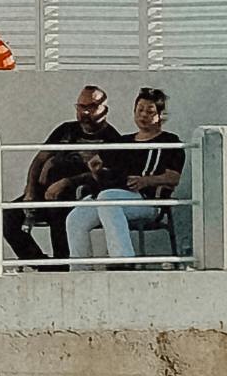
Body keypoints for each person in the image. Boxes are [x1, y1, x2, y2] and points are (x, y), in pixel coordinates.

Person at [9, 82, 123, 265]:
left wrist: (66, 182)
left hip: (77, 196)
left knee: (59, 207)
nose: (85, 112)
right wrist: (30, 190)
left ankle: (61, 265)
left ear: (105, 109)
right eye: (81, 107)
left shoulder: (113, 139)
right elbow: (39, 160)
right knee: (9, 217)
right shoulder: (65, 130)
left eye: (92, 107)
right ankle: (39, 263)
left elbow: (103, 177)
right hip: (44, 191)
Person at [74, 89, 188, 266]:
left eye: (149, 111)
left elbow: (173, 178)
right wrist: (96, 169)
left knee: (107, 199)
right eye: (139, 110)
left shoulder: (170, 141)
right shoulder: (123, 141)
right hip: (116, 196)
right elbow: (102, 168)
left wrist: (145, 181)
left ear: (160, 115)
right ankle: (80, 269)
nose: (143, 115)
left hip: (148, 201)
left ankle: (123, 260)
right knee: (76, 217)